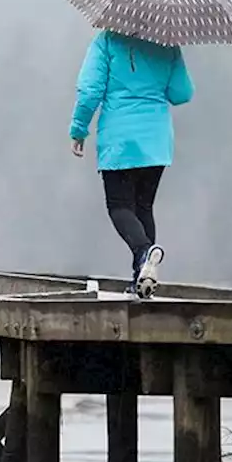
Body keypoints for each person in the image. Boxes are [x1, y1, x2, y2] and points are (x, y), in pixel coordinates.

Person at [69, 29, 194, 296]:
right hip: (156, 142)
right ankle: (141, 278)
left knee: (119, 206)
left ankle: (144, 252)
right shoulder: (167, 42)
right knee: (144, 206)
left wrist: (79, 129)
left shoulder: (107, 40)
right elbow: (182, 93)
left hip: (120, 140)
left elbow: (90, 90)